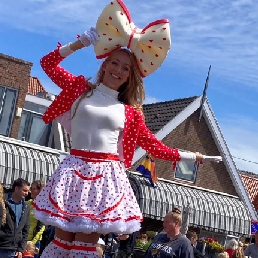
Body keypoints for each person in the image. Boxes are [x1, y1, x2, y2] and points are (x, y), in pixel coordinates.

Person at [32, 1, 222, 257]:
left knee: (83, 247)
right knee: (60, 244)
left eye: (126, 68)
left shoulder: (129, 112)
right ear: (105, 64)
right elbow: (47, 64)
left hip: (102, 177)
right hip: (73, 170)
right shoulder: (79, 89)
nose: (119, 70)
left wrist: (193, 156)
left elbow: (155, 146)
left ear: (130, 77)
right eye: (115, 63)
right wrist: (80, 43)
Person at [0, 178, 30, 258]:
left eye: (28, 191)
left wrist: (21, 249)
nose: (27, 193)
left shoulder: (26, 206)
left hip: (14, 250)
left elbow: (25, 230)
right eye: (24, 190)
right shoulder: (2, 202)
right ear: (16, 188)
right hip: (2, 246)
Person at [27, 180, 45, 258]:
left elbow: (42, 226)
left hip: (34, 241)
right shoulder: (28, 203)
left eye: (32, 188)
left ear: (39, 190)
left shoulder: (43, 206)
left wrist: (32, 242)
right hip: (24, 239)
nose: (30, 190)